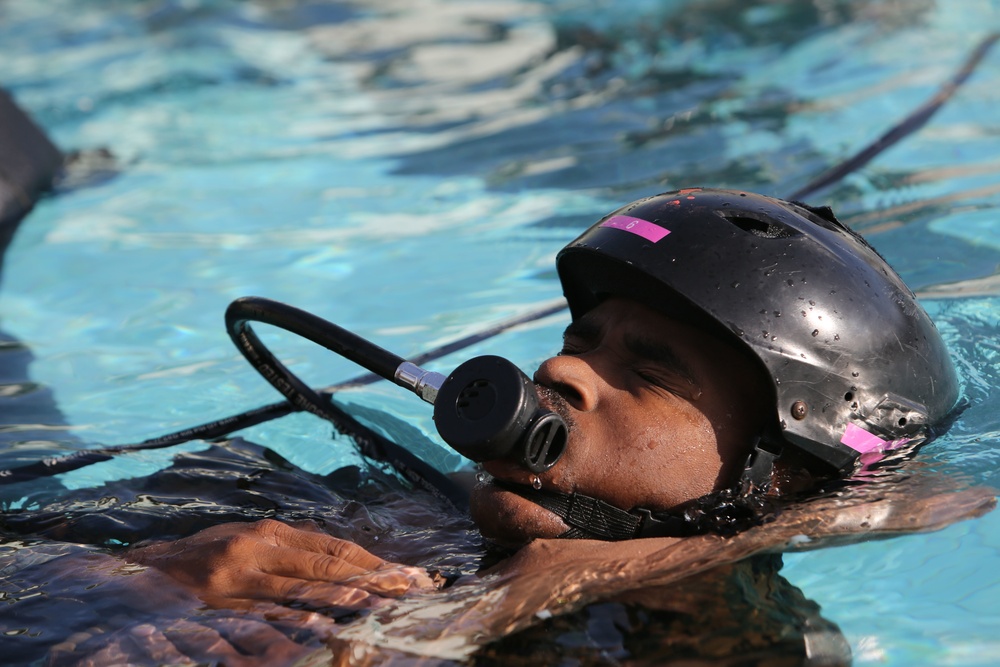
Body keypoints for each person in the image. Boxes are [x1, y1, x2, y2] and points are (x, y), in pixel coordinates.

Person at [3, 188, 989, 667]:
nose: (560, 368)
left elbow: (936, 495)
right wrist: (113, 582)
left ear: (773, 474)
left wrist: (576, 581)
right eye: (579, 338)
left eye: (648, 369)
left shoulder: (717, 642)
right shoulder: (321, 512)